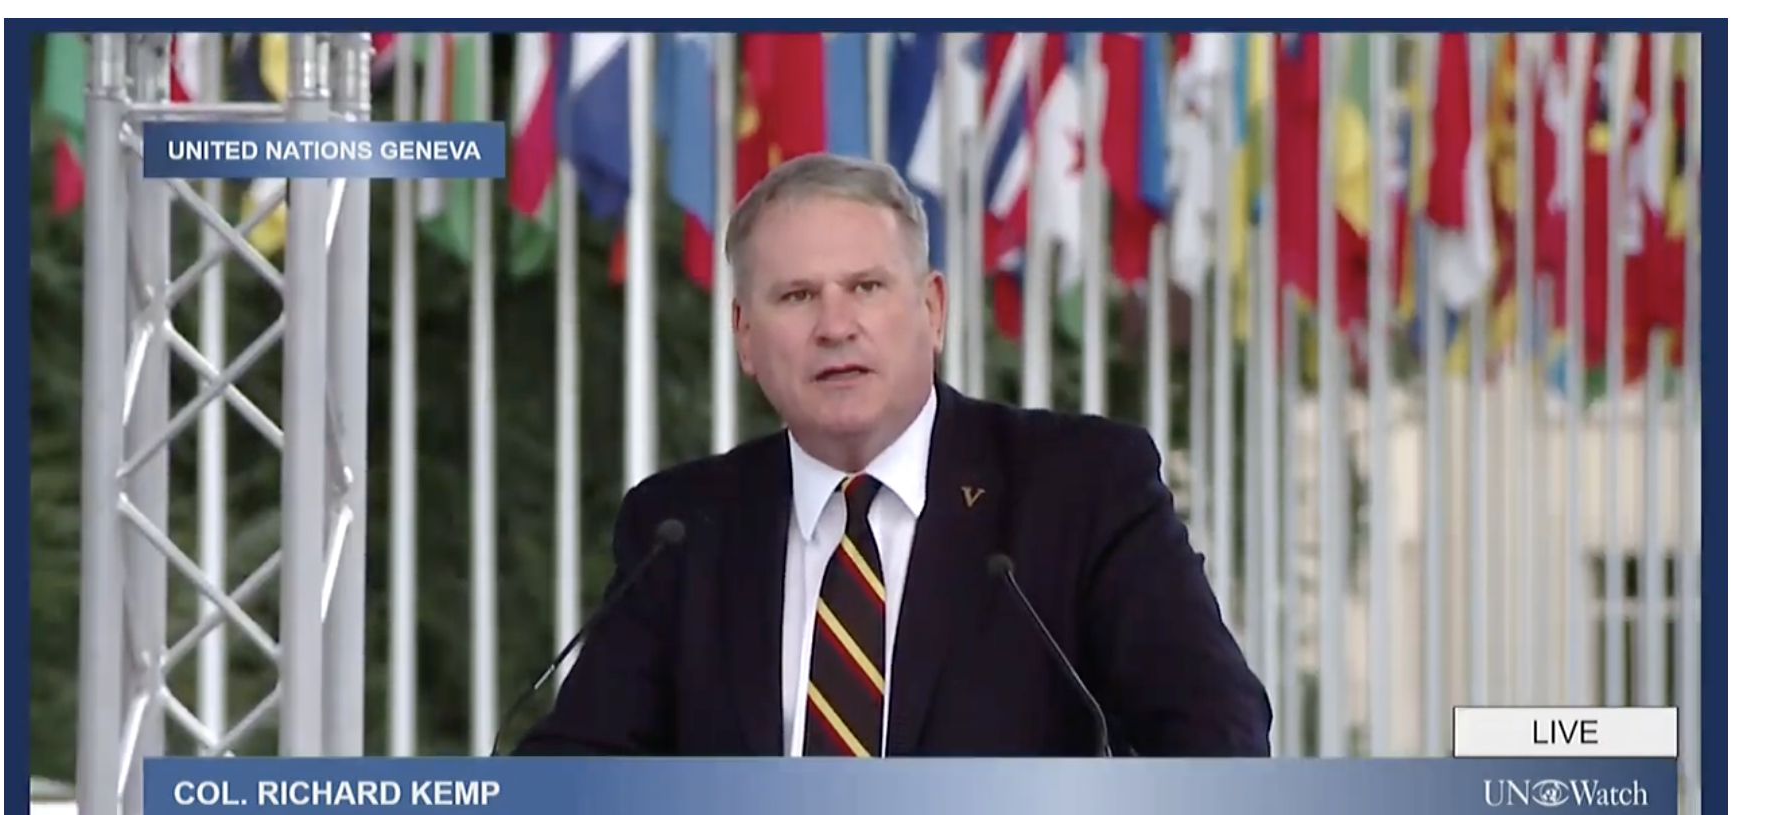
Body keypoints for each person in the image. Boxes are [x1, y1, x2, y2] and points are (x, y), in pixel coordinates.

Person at [517, 152, 1272, 763]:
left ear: (933, 310)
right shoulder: (682, 526)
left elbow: (1207, 715)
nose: (836, 325)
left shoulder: (1078, 487)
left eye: (867, 287)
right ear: (745, 335)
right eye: (797, 297)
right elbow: (583, 762)